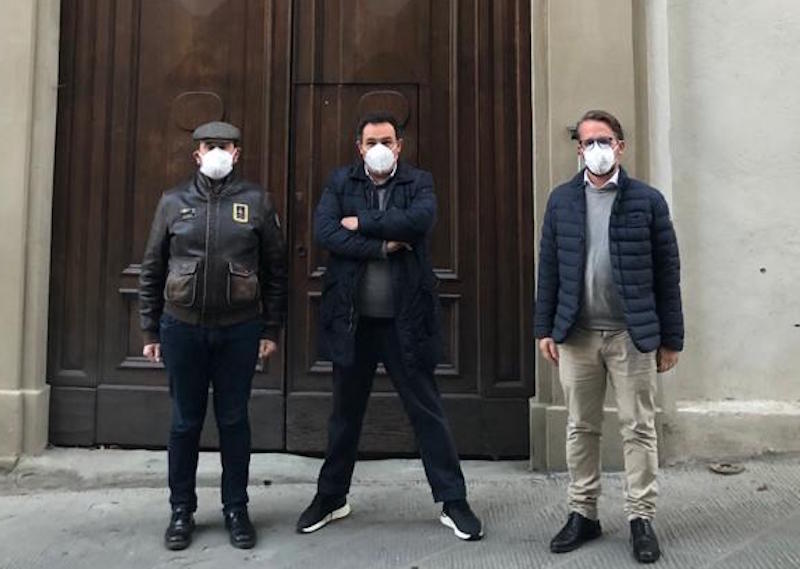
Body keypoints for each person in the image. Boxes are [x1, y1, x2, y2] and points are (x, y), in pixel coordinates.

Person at [295, 111, 483, 541]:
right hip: (353, 321)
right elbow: (326, 232)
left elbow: (419, 222)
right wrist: (382, 246)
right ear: (358, 147)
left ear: (399, 146)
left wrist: (361, 223)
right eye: (371, 142)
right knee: (345, 415)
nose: (379, 148)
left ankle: (453, 501)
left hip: (406, 321)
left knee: (427, 412)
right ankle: (331, 497)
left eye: (386, 141)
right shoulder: (340, 182)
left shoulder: (419, 182)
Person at [534, 110, 683, 563]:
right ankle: (583, 513)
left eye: (604, 140)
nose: (596, 149)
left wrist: (671, 339)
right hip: (577, 334)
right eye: (588, 142)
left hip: (631, 335)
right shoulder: (562, 201)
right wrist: (544, 328)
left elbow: (667, 272)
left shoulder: (648, 201)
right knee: (581, 427)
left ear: (620, 145)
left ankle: (641, 518)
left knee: (638, 427)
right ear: (579, 150)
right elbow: (549, 266)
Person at [139, 121, 287, 551]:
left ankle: (236, 509)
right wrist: (150, 327)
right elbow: (152, 266)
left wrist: (270, 328)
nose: (218, 152)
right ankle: (180, 511)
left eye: (226, 146)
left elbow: (276, 271)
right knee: (185, 422)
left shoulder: (257, 201)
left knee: (234, 421)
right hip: (181, 327)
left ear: (237, 153)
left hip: (239, 329)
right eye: (210, 145)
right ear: (197, 154)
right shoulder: (172, 201)